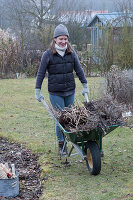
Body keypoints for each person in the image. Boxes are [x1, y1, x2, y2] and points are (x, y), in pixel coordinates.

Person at [35, 24, 89, 155]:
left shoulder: (71, 53)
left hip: (70, 90)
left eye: (65, 39)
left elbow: (79, 69)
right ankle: (62, 145)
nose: (63, 41)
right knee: (60, 119)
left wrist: (85, 84)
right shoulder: (47, 54)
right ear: (55, 39)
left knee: (71, 118)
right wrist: (37, 89)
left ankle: (72, 140)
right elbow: (41, 73)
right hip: (56, 92)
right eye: (61, 39)